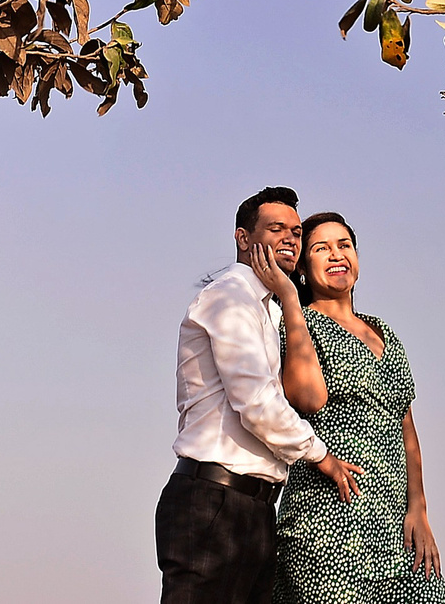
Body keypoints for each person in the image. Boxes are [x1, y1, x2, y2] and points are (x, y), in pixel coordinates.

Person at [161, 185, 367, 604]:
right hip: (212, 501)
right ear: (243, 238)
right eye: (277, 229)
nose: (291, 238)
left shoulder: (271, 309)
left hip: (254, 509)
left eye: (295, 231)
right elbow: (256, 402)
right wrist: (322, 458)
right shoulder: (229, 297)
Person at [264, 212, 445, 603]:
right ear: (302, 265)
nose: (336, 255)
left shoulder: (384, 331)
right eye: (321, 248)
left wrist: (419, 508)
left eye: (344, 245)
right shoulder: (296, 325)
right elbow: (301, 396)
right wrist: (291, 304)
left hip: (396, 524)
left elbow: (406, 427)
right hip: (327, 518)